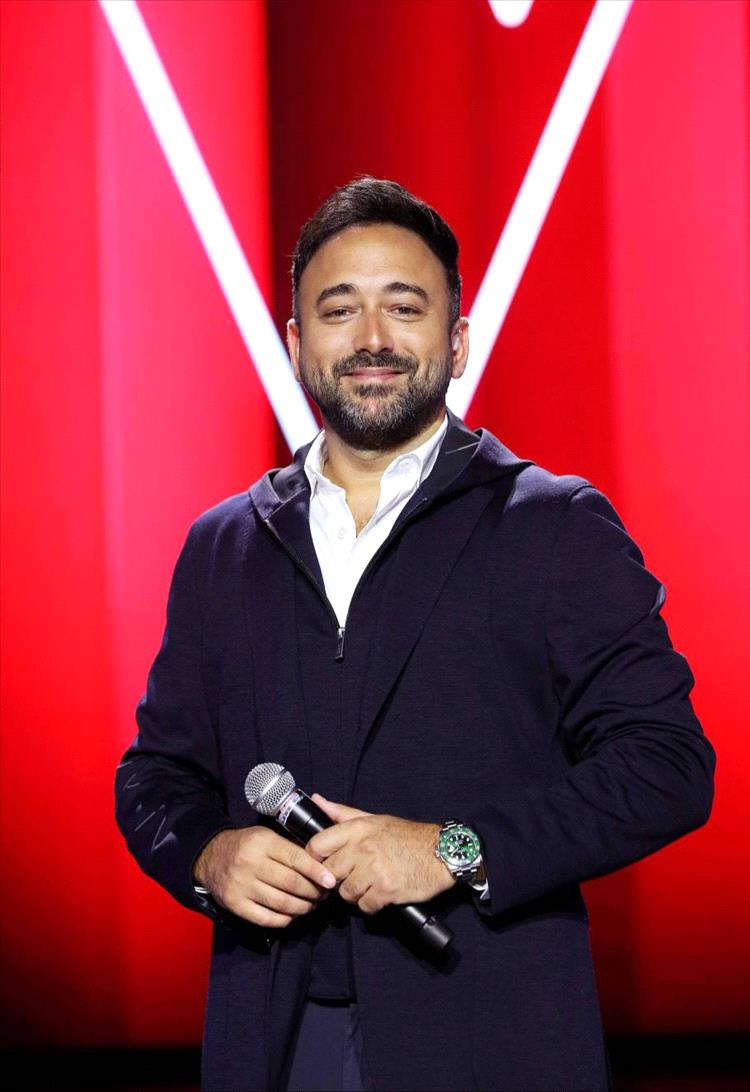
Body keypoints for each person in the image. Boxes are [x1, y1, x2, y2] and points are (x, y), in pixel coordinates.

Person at [114, 176, 715, 1092]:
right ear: (296, 344)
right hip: (272, 1040)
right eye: (338, 310)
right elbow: (155, 777)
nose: (372, 339)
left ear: (457, 340)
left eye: (404, 307)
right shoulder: (223, 546)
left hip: (490, 1038)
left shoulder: (554, 526)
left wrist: (454, 848)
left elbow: (667, 766)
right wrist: (207, 854)